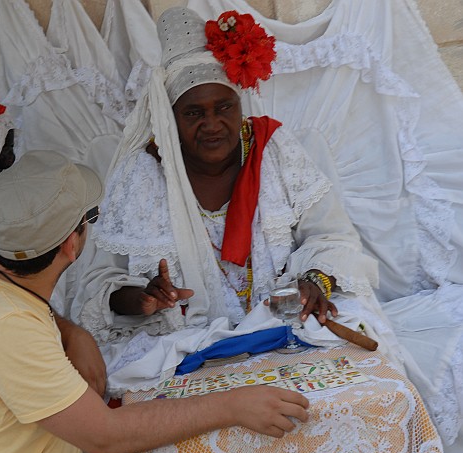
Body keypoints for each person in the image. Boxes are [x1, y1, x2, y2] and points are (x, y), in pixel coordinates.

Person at [0, 149, 310, 453]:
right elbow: (106, 436)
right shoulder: (8, 329)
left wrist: (74, 332)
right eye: (91, 218)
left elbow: (22, 305)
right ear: (73, 244)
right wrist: (234, 405)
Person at [76, 6, 400, 365]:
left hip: (286, 325)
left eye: (224, 107)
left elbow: (333, 236)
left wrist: (313, 281)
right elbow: (97, 280)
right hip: (182, 343)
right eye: (193, 113)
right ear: (171, 119)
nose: (212, 124)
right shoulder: (141, 173)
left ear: (239, 106)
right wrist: (139, 299)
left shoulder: (273, 148)